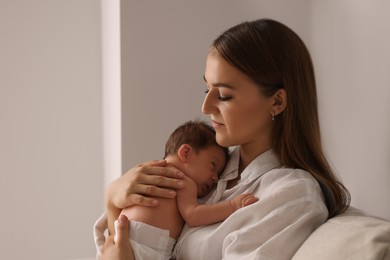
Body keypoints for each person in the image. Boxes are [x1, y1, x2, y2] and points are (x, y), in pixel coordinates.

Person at [94, 18, 351, 259]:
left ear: (277, 101)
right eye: (207, 89)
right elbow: (121, 240)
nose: (205, 107)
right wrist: (111, 199)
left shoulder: (290, 194)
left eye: (224, 95)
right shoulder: (206, 168)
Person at [107, 120, 258, 259]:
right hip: (142, 248)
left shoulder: (146, 171)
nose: (215, 178)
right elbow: (194, 215)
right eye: (213, 165)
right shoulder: (182, 181)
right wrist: (232, 206)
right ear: (186, 153)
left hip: (125, 242)